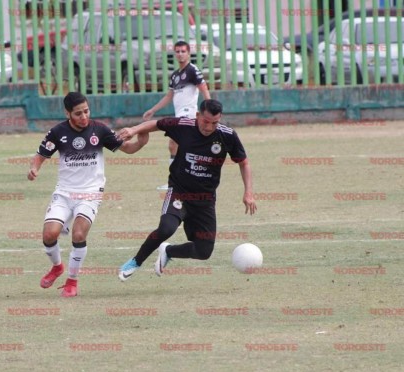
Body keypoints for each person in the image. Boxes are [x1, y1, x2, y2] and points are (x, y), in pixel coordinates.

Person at [117, 99, 257, 281]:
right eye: (206, 121)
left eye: (214, 123)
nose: (209, 127)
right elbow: (156, 124)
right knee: (166, 228)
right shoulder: (184, 125)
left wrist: (248, 193)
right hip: (179, 192)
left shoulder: (227, 135)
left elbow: (244, 163)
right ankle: (136, 261)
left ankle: (168, 251)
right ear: (198, 116)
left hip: (205, 199)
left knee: (204, 250)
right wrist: (133, 130)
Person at [27, 92, 149, 297]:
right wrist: (34, 168)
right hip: (64, 192)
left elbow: (127, 148)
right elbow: (41, 154)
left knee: (78, 234)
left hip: (91, 192)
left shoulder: (99, 129)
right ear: (67, 113)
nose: (84, 116)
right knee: (49, 234)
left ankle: (72, 281)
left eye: (86, 111)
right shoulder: (57, 132)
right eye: (78, 113)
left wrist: (141, 143)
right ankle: (57, 267)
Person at [143, 40, 211, 191]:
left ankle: (176, 182)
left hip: (188, 113)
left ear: (188, 53)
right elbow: (169, 96)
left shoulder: (193, 70)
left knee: (174, 143)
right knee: (179, 146)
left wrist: (210, 112)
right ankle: (182, 180)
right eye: (178, 51)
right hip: (179, 113)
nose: (180, 54)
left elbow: (204, 89)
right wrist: (152, 110)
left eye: (183, 51)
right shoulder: (175, 75)